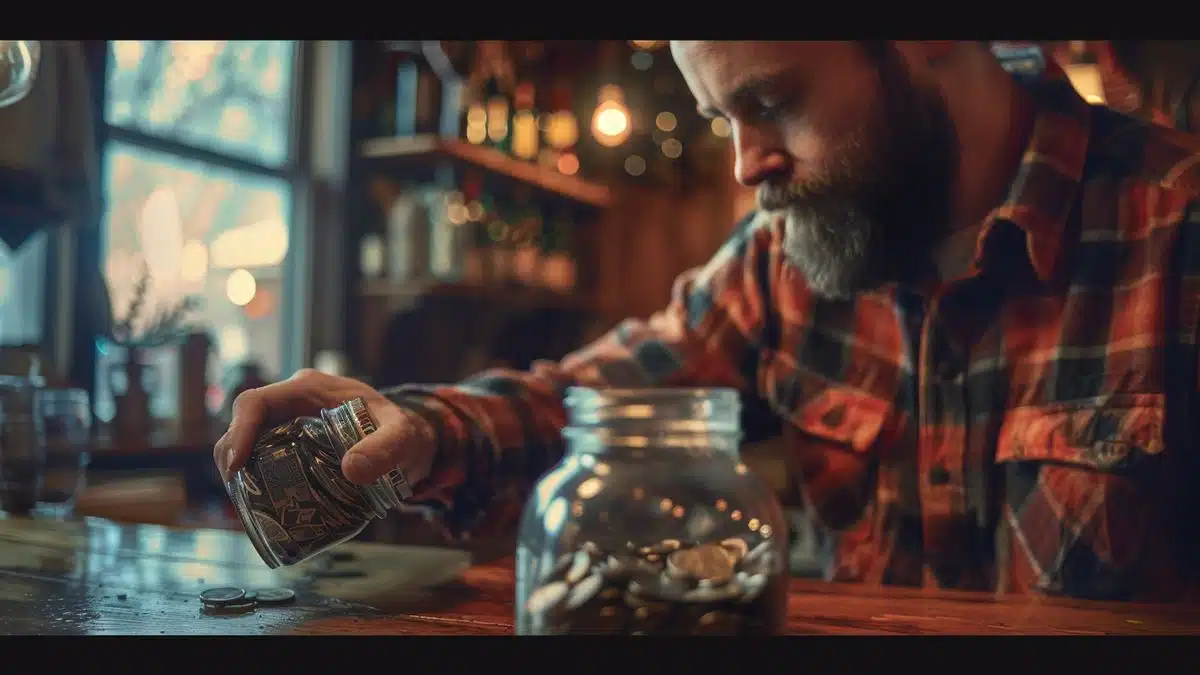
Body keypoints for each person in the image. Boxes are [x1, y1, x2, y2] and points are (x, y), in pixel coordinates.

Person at [214, 41, 1200, 602]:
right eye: (722, 119)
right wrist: (417, 428)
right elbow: (589, 403)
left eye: (770, 102)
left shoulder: (1177, 226)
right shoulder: (787, 257)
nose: (744, 166)